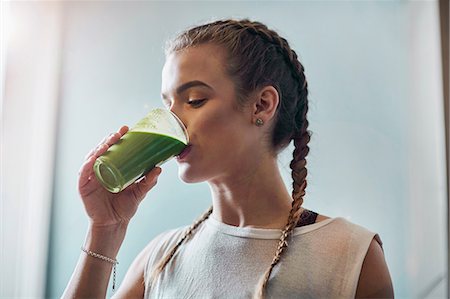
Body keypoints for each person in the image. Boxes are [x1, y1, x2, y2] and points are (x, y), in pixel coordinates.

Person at [63, 19, 394, 298]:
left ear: (262, 105)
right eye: (168, 105)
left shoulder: (350, 255)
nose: (172, 121)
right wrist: (105, 230)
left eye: (194, 100)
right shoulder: (161, 258)